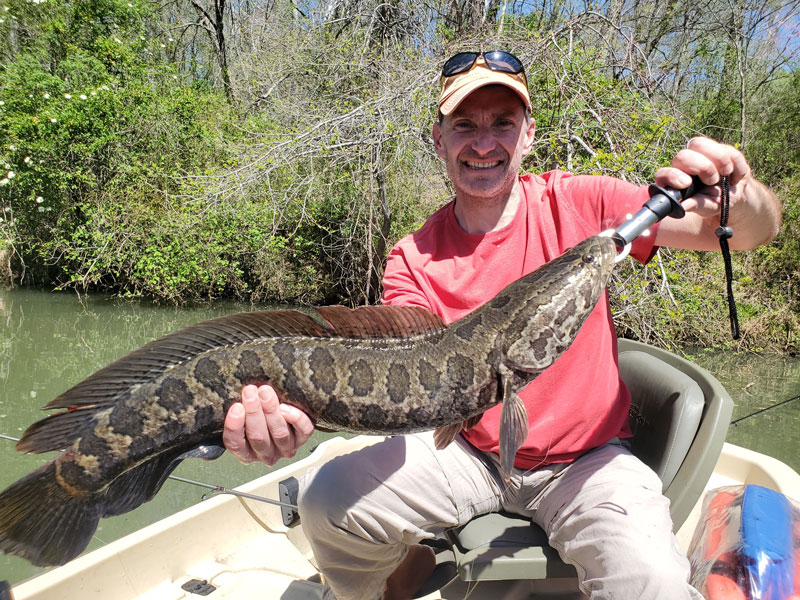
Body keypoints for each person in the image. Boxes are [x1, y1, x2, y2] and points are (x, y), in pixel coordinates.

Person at [222, 51, 782, 599]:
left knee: (653, 583)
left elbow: (750, 231)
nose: (484, 142)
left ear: (528, 134)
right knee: (328, 504)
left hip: (589, 460)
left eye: (503, 124)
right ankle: (395, 581)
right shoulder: (413, 256)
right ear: (439, 139)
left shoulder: (586, 206)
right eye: (465, 124)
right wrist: (296, 415)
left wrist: (737, 195)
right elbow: (399, 378)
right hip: (465, 450)